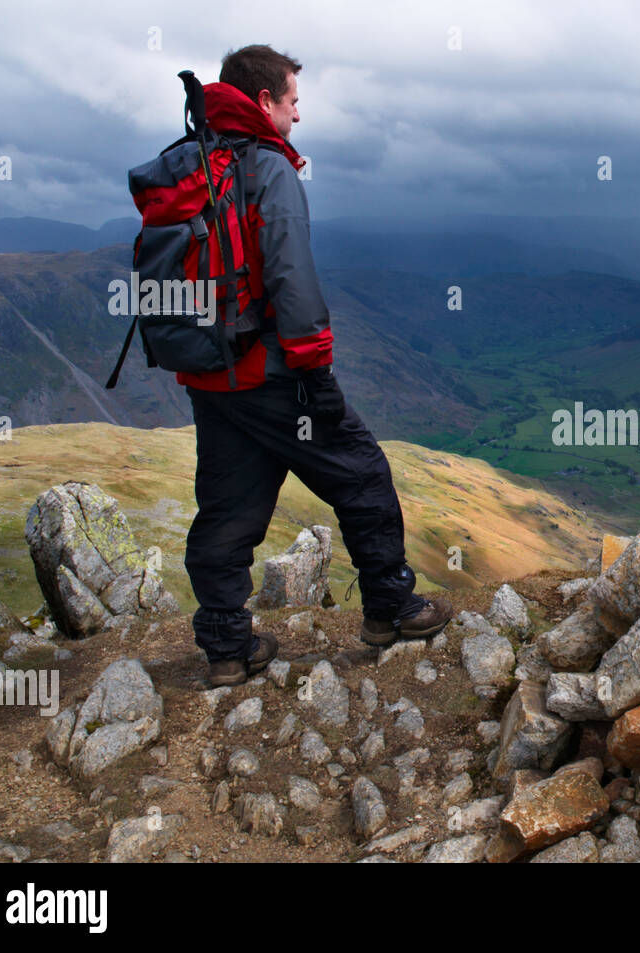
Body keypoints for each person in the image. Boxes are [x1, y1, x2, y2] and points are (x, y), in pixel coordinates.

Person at [181, 44, 450, 687]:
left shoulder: (198, 161)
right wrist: (315, 372)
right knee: (362, 473)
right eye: (293, 101)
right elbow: (290, 278)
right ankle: (389, 607)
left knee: (227, 506)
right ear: (265, 102)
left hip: (209, 373)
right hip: (273, 374)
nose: (299, 116)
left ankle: (225, 649)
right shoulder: (269, 168)